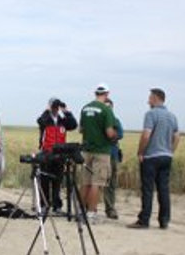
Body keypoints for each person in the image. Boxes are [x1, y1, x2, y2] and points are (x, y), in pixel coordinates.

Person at [130, 88, 180, 229]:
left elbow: (146, 134)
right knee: (163, 189)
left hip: (151, 156)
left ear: (156, 98)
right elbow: (177, 136)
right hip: (166, 156)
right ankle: (164, 220)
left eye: (150, 98)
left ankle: (144, 220)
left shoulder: (151, 114)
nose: (148, 101)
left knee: (147, 189)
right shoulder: (172, 116)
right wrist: (170, 150)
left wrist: (140, 152)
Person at [79, 84, 117, 224]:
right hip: (101, 151)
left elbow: (81, 129)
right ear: (107, 94)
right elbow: (109, 132)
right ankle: (91, 213)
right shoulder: (106, 110)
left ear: (95, 93)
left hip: (86, 150)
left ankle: (81, 211)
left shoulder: (85, 108)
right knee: (96, 183)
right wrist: (114, 135)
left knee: (85, 182)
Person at [36, 97, 78, 214]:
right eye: (54, 107)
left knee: (57, 181)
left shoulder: (62, 121)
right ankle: (44, 205)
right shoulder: (46, 119)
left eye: (56, 107)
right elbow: (40, 121)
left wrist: (66, 111)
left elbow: (73, 125)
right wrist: (47, 110)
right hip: (46, 153)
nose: (55, 109)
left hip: (60, 154)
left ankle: (56, 205)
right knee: (44, 180)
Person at [102, 98, 124, 219]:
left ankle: (110, 208)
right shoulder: (96, 121)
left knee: (111, 183)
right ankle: (88, 207)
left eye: (109, 107)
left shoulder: (115, 121)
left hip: (112, 155)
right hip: (98, 154)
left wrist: (109, 136)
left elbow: (120, 134)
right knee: (93, 182)